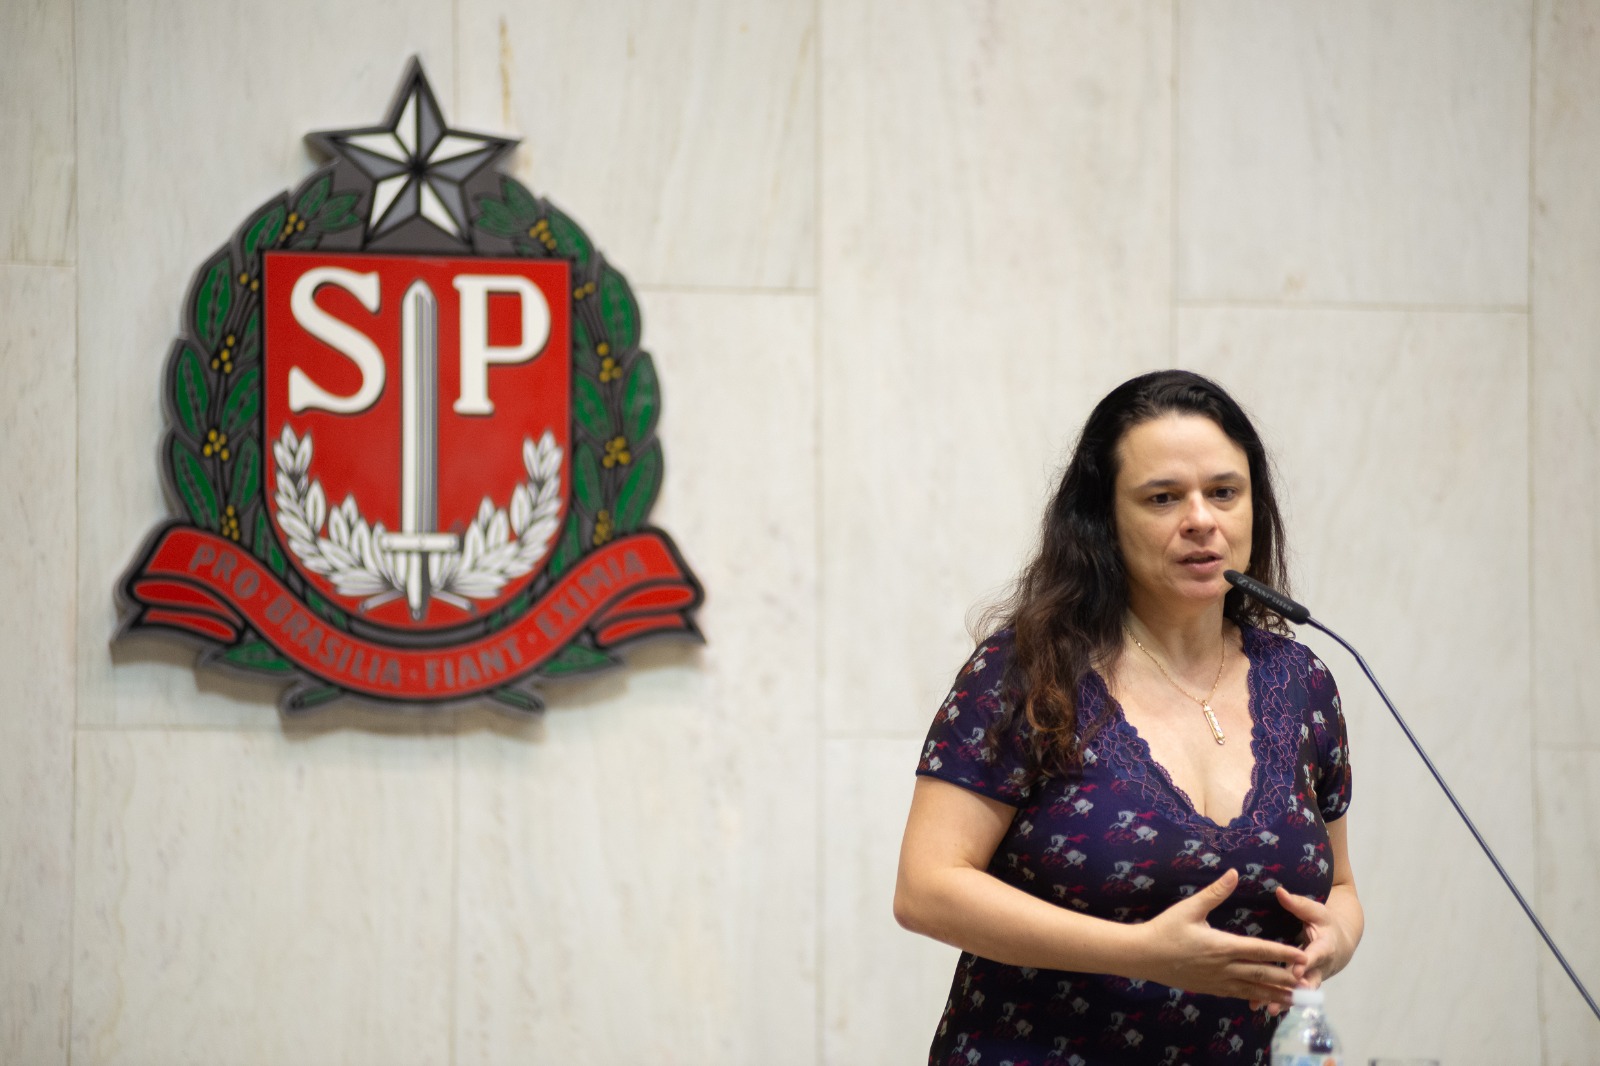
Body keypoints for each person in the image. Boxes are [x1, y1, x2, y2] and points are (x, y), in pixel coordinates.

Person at [894, 370, 1363, 1065]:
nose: (1201, 518)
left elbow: (1342, 887)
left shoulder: (1300, 683)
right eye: (1163, 497)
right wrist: (1141, 954)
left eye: (1224, 493)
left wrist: (1340, 939)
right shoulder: (1028, 671)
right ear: (1104, 521)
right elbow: (926, 889)